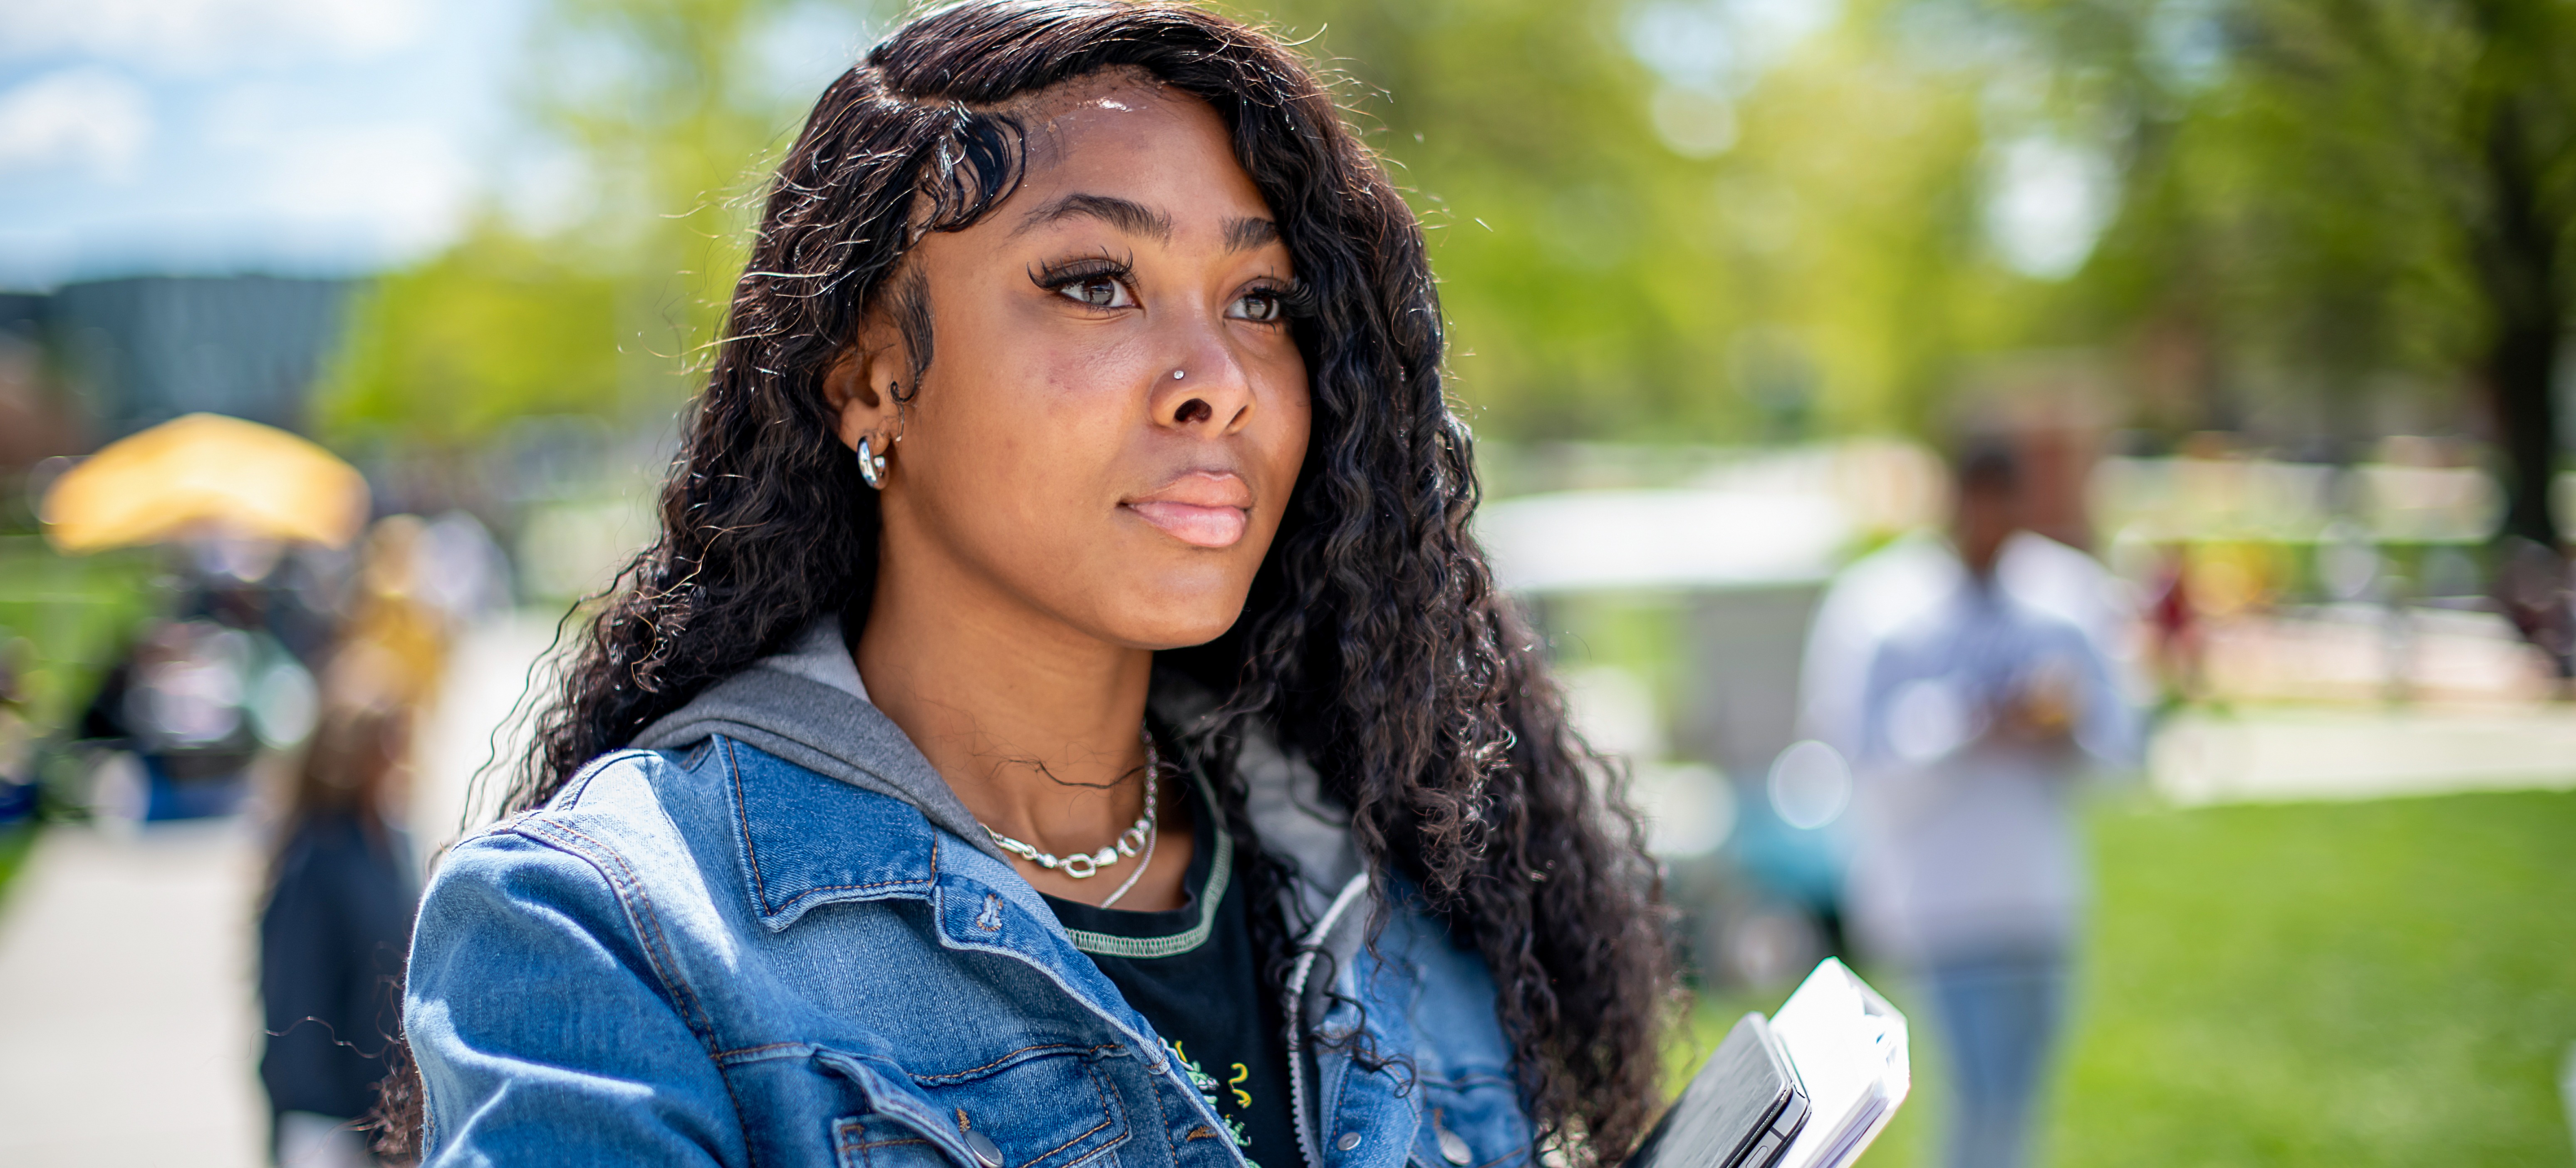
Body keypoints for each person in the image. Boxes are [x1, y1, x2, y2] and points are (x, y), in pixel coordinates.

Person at [393, 4, 1672, 1167]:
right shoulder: (609, 935)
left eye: (1262, 296)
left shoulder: (1392, 886)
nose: (1214, 375)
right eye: (1094, 282)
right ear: (873, 379)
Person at [1832, 441, 2138, 1168]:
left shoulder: (2064, 597)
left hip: (2035, 895)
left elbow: (2121, 742)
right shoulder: (1882, 605)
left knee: (2017, 1108)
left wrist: (2062, 727)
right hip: (1939, 897)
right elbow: (1853, 750)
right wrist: (1965, 720)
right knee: (1974, 1105)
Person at [261, 699, 420, 1168]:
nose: (398, 754)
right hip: (326, 1118)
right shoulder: (317, 856)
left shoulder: (392, 839)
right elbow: (295, 1001)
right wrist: (327, 1121)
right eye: (384, 742)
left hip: (386, 1107)